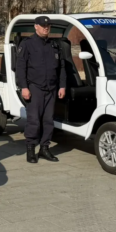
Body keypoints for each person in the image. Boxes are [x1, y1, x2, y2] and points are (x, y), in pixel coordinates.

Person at [15, 15, 66, 163]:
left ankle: (44, 148)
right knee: (34, 120)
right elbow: (20, 67)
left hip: (51, 88)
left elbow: (61, 67)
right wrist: (24, 87)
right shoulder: (27, 44)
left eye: (48, 26)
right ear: (36, 26)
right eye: (43, 26)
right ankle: (30, 149)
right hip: (35, 87)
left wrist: (62, 86)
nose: (46, 28)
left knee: (48, 120)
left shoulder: (54, 45)